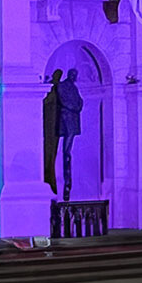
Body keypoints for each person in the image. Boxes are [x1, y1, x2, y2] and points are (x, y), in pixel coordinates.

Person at [55, 69, 84, 201]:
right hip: (67, 116)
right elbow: (63, 100)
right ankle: (66, 151)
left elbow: (79, 100)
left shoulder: (74, 87)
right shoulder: (62, 85)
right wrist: (73, 107)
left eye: (76, 75)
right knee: (69, 134)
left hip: (74, 116)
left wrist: (78, 106)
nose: (74, 77)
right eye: (73, 75)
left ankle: (68, 151)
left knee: (72, 136)